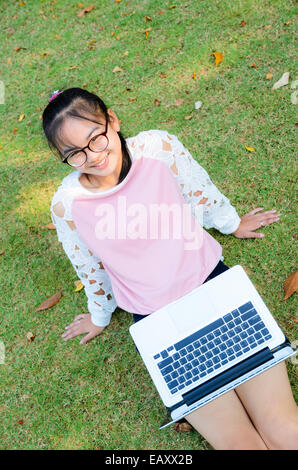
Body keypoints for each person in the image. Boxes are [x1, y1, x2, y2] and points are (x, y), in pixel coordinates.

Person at [42, 87, 298, 450]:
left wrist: (231, 222)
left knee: (284, 429)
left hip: (217, 290)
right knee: (241, 444)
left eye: (96, 138)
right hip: (158, 324)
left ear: (112, 121)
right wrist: (99, 316)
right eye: (75, 153)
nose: (92, 156)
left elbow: (196, 188)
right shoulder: (68, 204)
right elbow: (88, 265)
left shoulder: (158, 148)